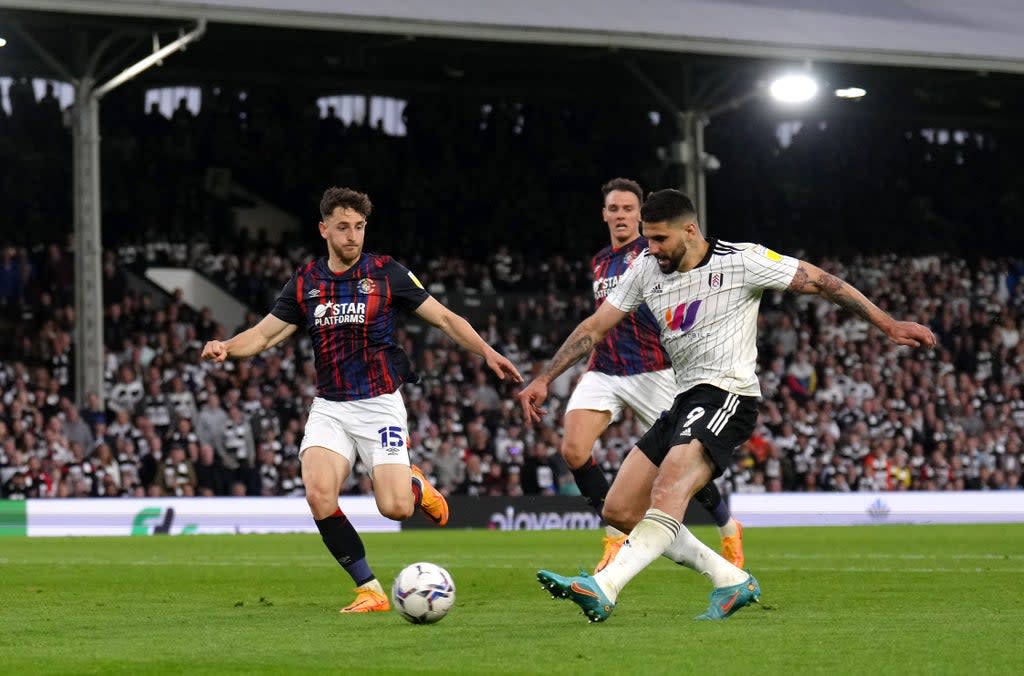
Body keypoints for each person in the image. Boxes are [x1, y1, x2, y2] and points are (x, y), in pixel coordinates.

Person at [518, 189, 935, 622]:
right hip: (683, 399)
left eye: (659, 239)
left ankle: (604, 586)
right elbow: (596, 325)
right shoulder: (645, 269)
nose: (651, 248)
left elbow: (824, 282)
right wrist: (546, 378)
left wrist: (888, 324)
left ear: (690, 230)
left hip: (728, 395)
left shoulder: (742, 260)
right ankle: (730, 579)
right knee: (619, 510)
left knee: (668, 489)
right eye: (648, 238)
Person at [202, 186, 522, 614]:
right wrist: (226, 346)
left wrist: (487, 351)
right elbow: (263, 335)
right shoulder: (305, 284)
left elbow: (444, 317)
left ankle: (413, 483)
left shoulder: (387, 274)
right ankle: (368, 588)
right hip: (331, 408)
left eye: (359, 227)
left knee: (395, 508)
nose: (352, 236)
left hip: (379, 404)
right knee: (318, 494)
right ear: (324, 230)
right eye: (343, 227)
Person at [559, 177, 743, 572]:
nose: (621, 215)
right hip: (606, 369)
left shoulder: (655, 252)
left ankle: (728, 528)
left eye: (629, 209)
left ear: (641, 215)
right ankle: (614, 537)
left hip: (653, 370)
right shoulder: (600, 261)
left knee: (688, 461)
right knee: (573, 449)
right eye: (614, 209)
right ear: (604, 214)